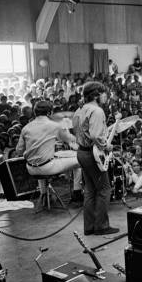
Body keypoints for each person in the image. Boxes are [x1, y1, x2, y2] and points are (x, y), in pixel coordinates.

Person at [72, 82, 119, 236]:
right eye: (105, 93)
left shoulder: (80, 110)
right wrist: (107, 146)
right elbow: (96, 135)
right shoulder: (97, 111)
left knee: (90, 190)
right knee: (105, 189)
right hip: (93, 154)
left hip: (82, 152)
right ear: (96, 95)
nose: (107, 96)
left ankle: (89, 227)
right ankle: (101, 226)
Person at [14, 101, 80, 201]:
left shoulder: (26, 128)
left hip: (30, 168)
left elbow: (18, 151)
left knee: (45, 157)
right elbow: (72, 141)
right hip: (48, 168)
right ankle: (77, 193)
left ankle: (44, 194)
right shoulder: (54, 126)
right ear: (49, 113)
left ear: (35, 112)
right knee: (80, 160)